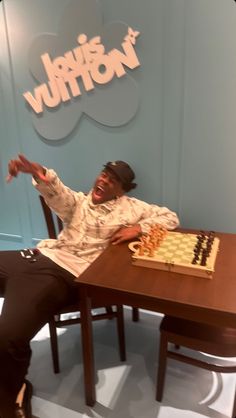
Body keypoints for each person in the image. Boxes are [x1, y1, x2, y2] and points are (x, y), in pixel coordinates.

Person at [0, 154, 179, 418]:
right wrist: (37, 171)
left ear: (122, 190)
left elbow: (171, 217)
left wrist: (139, 228)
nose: (104, 180)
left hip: (61, 274)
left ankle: (11, 397)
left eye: (113, 180)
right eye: (104, 174)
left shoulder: (131, 208)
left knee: (8, 338)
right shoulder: (80, 202)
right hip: (36, 257)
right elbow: (57, 192)